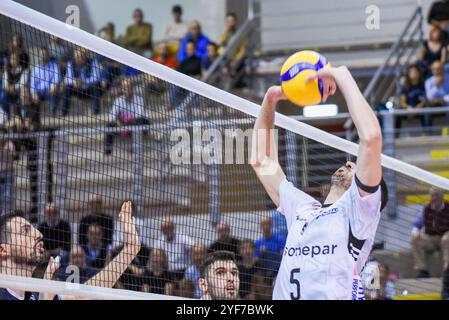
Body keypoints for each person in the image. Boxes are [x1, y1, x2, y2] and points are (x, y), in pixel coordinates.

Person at [250, 65, 388, 299]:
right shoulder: (303, 208)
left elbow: (371, 137)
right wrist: (270, 100)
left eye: (356, 166)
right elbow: (261, 160)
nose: (350, 164)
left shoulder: (359, 213)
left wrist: (341, 74)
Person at [0, 201, 141, 300]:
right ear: (3, 249)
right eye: (25, 231)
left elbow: (82, 296)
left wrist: (130, 250)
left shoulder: (36, 291)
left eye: (33, 228)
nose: (39, 234)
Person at [104, 78, 149, 155]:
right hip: (121, 125)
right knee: (109, 125)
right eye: (125, 87)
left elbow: (139, 115)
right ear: (122, 88)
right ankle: (108, 150)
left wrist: (126, 123)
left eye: (129, 86)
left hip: (133, 124)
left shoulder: (139, 99)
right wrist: (118, 122)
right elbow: (111, 116)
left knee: (141, 122)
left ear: (132, 88)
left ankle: (135, 148)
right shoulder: (118, 100)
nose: (127, 89)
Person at [411, 187, 449, 278]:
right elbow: (416, 224)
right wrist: (415, 231)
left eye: (437, 195)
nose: (434, 198)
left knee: (446, 239)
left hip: (446, 236)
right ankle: (422, 270)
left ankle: (447, 270)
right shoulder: (425, 209)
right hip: (430, 238)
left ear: (442, 196)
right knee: (415, 238)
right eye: (432, 195)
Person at [62, 48, 102, 116]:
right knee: (67, 88)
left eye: (81, 56)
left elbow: (97, 77)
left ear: (85, 56)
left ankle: (96, 113)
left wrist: (84, 81)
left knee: (96, 86)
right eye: (77, 56)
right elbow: (67, 79)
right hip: (77, 89)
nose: (79, 58)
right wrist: (74, 81)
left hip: (89, 90)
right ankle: (64, 114)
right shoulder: (70, 63)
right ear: (74, 56)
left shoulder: (92, 61)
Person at [29, 47, 61, 116]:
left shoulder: (55, 66)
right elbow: (32, 85)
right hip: (39, 93)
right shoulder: (35, 69)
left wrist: (54, 86)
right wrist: (34, 93)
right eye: (41, 54)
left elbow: (56, 80)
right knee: (31, 96)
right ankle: (35, 118)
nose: (43, 56)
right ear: (38, 56)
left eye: (45, 54)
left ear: (48, 55)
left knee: (54, 92)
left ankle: (53, 115)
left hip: (51, 91)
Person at [396, 64, 428, 131]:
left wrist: (417, 108)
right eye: (412, 72)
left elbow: (424, 101)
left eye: (416, 72)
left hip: (420, 109)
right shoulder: (405, 87)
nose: (414, 74)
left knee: (427, 112)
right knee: (397, 114)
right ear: (408, 74)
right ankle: (396, 135)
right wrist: (409, 108)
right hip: (409, 110)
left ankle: (426, 133)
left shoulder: (423, 86)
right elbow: (402, 102)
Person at [0, 137, 15, 216]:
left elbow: (13, 154)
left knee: (8, 195)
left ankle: (7, 213)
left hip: (8, 173)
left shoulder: (9, 144)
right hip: (1, 173)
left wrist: (4, 149)